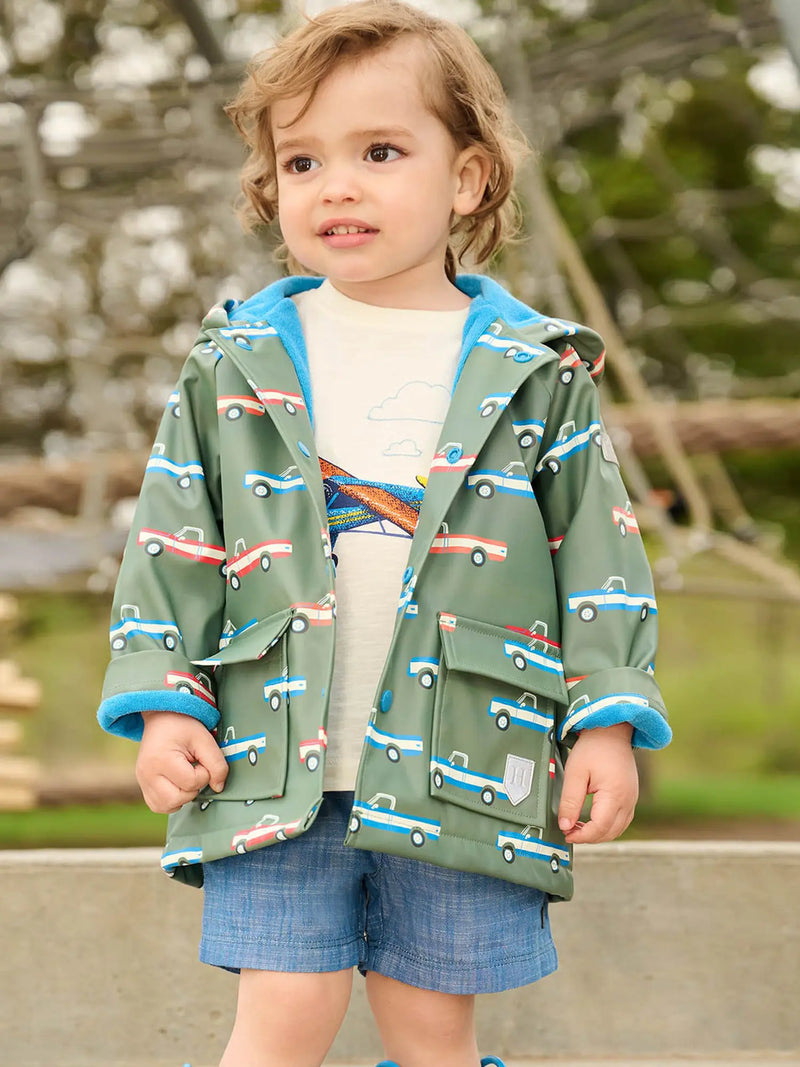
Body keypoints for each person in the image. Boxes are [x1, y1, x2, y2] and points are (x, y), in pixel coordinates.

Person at [97, 3, 672, 1065]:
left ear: (467, 180)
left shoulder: (536, 370)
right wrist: (167, 702)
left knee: (428, 1020)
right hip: (270, 757)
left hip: (469, 749)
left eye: (379, 152)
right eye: (302, 161)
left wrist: (604, 723)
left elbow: (598, 557)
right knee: (282, 1010)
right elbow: (171, 545)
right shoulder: (233, 362)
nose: (337, 185)